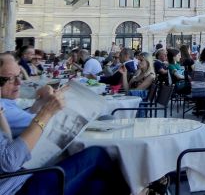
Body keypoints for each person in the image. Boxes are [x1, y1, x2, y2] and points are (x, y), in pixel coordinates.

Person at [0, 53, 130, 195]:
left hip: (27, 174)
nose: (19, 82)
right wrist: (47, 112)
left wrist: (43, 104)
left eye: (19, 75)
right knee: (96, 153)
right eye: (10, 79)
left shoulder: (4, 106)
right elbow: (10, 161)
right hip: (17, 186)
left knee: (98, 185)